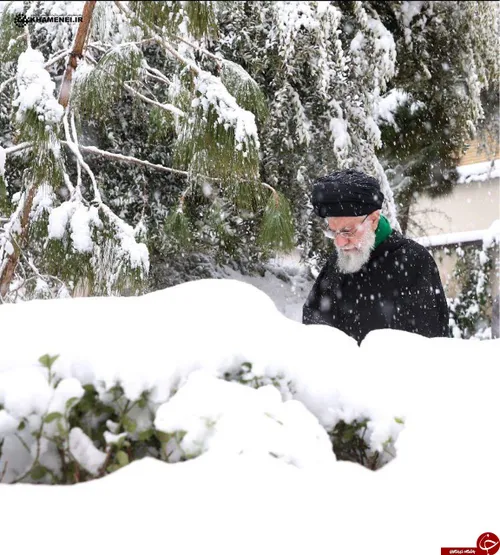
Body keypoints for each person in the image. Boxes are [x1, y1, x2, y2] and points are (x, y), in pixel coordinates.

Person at [302, 169, 450, 343]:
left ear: (373, 219)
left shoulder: (413, 261)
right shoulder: (339, 262)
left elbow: (426, 346)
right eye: (333, 232)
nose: (340, 243)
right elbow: (312, 328)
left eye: (347, 231)